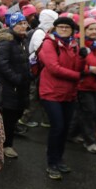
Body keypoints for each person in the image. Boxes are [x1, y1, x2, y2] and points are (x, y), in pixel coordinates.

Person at [38, 16, 85, 180]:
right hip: (51, 92)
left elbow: (77, 66)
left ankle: (59, 159)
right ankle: (51, 162)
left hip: (69, 93)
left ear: (72, 30)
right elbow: (54, 68)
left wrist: (82, 57)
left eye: (67, 27)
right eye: (61, 26)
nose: (64, 29)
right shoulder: (49, 43)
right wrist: (79, 75)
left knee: (65, 129)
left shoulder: (74, 45)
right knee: (57, 127)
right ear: (55, 28)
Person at [0, 12, 32, 157]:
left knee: (15, 115)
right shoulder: (6, 42)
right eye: (19, 24)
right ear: (12, 25)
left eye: (24, 23)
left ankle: (1, 141)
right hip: (10, 88)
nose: (23, 26)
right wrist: (17, 79)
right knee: (8, 118)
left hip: (20, 87)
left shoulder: (21, 40)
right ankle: (5, 145)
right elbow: (2, 65)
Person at [71, 18, 96, 155]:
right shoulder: (78, 45)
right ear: (84, 30)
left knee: (86, 112)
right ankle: (89, 141)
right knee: (88, 113)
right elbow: (75, 64)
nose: (93, 31)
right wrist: (88, 69)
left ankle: (71, 133)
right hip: (83, 85)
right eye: (90, 29)